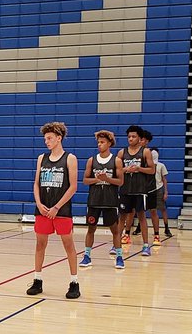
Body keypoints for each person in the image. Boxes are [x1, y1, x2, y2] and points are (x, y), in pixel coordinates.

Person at [26, 122, 80, 299]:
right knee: (40, 244)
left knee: (68, 245)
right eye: (45, 139)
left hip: (61, 210)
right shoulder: (42, 158)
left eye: (49, 138)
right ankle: (37, 279)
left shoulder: (70, 158)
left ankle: (74, 282)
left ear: (59, 138)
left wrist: (57, 207)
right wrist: (39, 203)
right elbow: (36, 183)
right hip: (42, 209)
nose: (46, 142)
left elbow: (73, 187)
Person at [80, 130, 125, 271]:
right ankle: (87, 256)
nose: (99, 144)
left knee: (115, 230)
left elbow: (120, 182)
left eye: (102, 142)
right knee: (91, 228)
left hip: (110, 200)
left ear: (109, 143)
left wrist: (108, 179)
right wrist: (98, 179)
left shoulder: (116, 161)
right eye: (98, 142)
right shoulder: (91, 160)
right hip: (94, 200)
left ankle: (119, 257)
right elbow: (85, 180)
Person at [118, 124, 156, 258]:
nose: (130, 139)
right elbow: (116, 171)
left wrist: (139, 169)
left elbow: (152, 170)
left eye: (133, 136)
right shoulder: (122, 152)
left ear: (140, 138)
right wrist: (126, 169)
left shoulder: (145, 152)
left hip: (140, 190)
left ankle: (146, 245)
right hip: (125, 189)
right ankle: (116, 245)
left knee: (141, 217)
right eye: (129, 136)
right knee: (121, 217)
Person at [150, 146, 171, 242]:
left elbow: (164, 179)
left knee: (162, 209)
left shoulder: (161, 165)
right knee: (148, 210)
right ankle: (139, 228)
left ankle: (166, 228)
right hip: (150, 189)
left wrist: (166, 192)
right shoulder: (147, 165)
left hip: (159, 189)